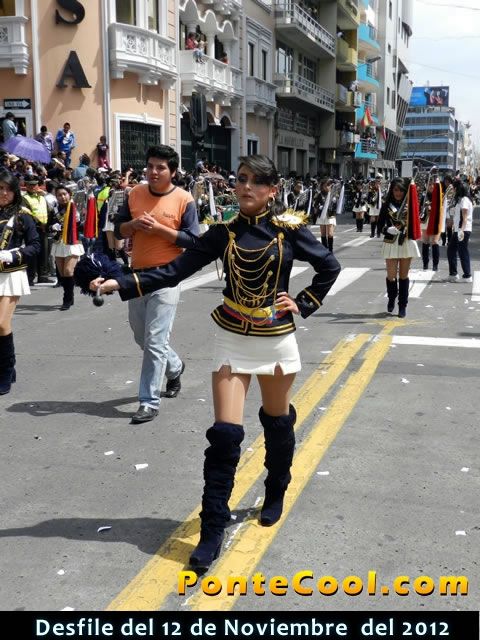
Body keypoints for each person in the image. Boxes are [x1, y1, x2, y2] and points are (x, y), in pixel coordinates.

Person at [90, 154, 341, 568]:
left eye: (256, 181)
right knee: (224, 436)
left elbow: (328, 266)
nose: (246, 187)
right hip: (232, 336)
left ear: (272, 190)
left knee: (277, 423)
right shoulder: (223, 233)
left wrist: (304, 302)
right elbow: (173, 271)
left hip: (276, 339)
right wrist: (122, 281)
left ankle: (276, 487)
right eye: (241, 179)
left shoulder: (290, 230)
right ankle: (212, 528)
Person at [112, 144, 199, 425]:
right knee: (141, 336)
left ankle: (148, 402)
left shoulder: (184, 199)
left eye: (160, 167)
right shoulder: (134, 193)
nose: (153, 172)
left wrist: (160, 229)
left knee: (155, 340)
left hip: (167, 276)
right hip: (137, 276)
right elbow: (118, 229)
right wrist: (133, 225)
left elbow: (192, 239)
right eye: (150, 166)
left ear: (172, 171)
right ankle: (175, 368)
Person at [0, 170, 40, 394]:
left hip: (10, 274)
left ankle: (6, 369)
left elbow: (35, 246)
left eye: (8, 189)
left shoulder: (23, 215)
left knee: (1, 324)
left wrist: (14, 255)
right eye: (0, 188)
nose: (4, 193)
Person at [377, 177, 421, 318]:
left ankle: (403, 305)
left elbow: (417, 221)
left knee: (403, 276)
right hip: (391, 241)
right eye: (396, 190)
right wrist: (387, 229)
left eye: (401, 190)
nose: (398, 193)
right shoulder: (386, 205)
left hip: (405, 241)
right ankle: (391, 297)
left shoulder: (410, 204)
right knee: (391, 276)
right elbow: (379, 226)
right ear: (392, 190)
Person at [49, 184, 85, 310]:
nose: (62, 197)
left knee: (68, 271)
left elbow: (83, 226)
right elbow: (48, 225)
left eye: (64, 194)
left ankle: (67, 299)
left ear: (69, 195)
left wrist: (78, 220)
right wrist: (52, 227)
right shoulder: (54, 209)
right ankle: (69, 295)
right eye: (59, 195)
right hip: (59, 242)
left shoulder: (76, 207)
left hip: (72, 242)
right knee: (62, 274)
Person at [23, 177, 55, 284]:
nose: (33, 187)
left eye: (35, 185)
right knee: (32, 253)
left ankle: (43, 276)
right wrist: (39, 223)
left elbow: (50, 211)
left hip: (44, 229)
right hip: (32, 229)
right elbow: (27, 213)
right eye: (30, 185)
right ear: (26, 186)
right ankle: (30, 277)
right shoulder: (25, 198)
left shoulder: (42, 198)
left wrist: (49, 224)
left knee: (44, 252)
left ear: (38, 185)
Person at [447, 180, 473, 283]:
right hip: (459, 229)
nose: (453, 190)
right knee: (451, 250)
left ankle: (467, 275)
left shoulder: (465, 200)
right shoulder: (460, 199)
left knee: (462, 252)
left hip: (463, 230)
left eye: (454, 188)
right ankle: (453, 274)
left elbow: (464, 218)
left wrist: (461, 231)